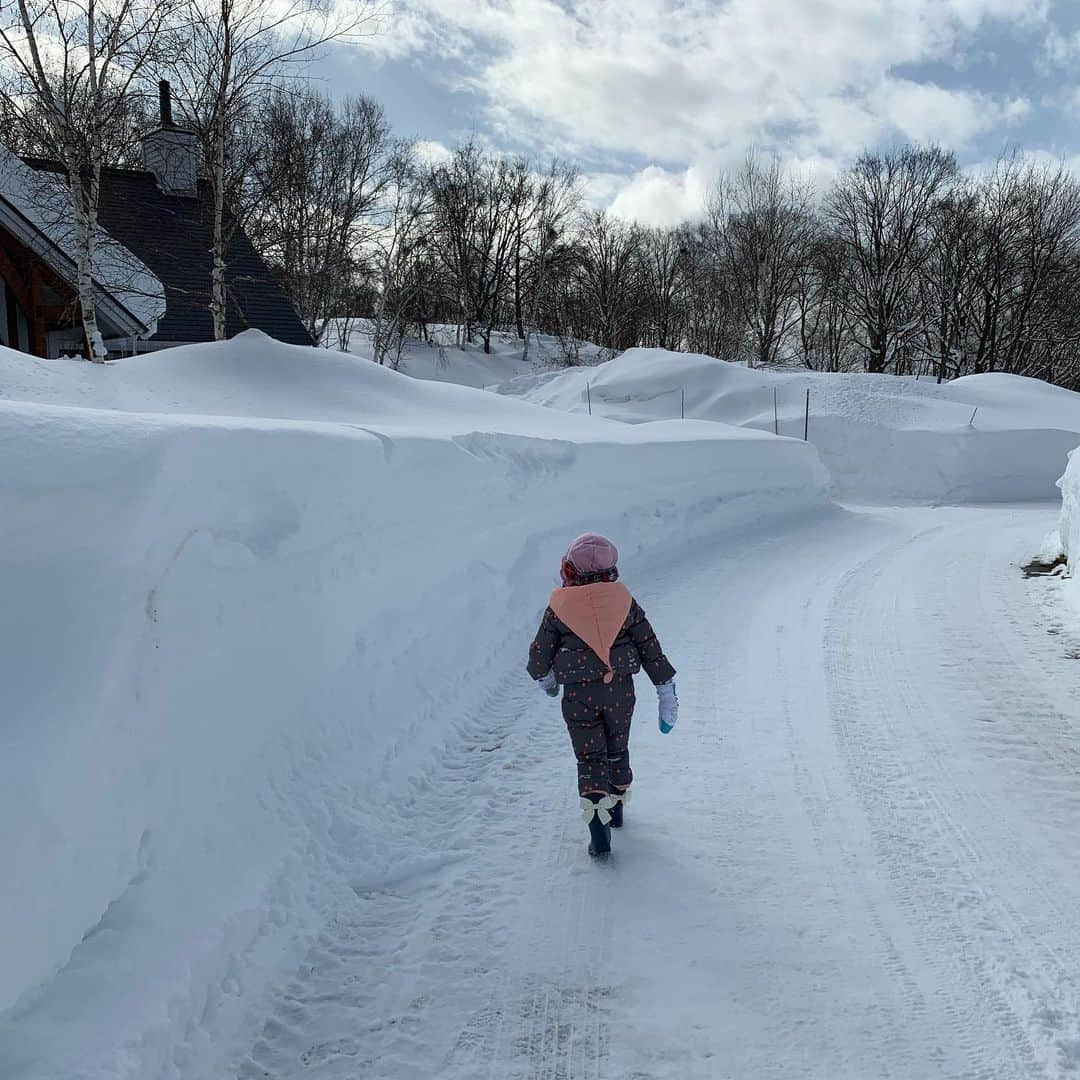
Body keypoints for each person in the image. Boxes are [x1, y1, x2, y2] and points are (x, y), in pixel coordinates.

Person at [527, 533, 678, 857]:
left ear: (569, 570)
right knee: (616, 745)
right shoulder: (625, 602)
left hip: (579, 696)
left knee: (590, 756)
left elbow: (539, 657)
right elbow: (649, 648)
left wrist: (549, 682)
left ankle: (598, 820)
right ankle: (618, 803)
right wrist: (665, 689)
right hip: (620, 691)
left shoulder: (559, 606)